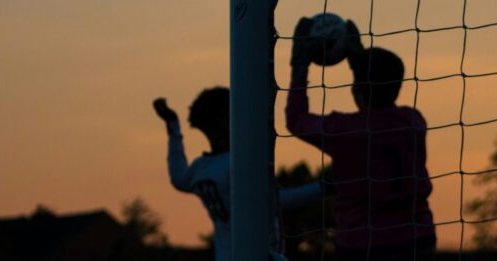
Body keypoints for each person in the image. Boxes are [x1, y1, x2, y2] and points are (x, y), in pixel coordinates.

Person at [286, 18, 436, 260]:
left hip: (362, 244)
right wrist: (360, 59)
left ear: (355, 88)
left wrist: (300, 65)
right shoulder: (414, 123)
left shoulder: (343, 131)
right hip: (418, 240)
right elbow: (372, 94)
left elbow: (296, 120)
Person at [152, 87, 319, 261]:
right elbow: (273, 202)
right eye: (234, 114)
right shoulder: (236, 166)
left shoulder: (201, 169)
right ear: (220, 122)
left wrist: (173, 126)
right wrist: (323, 187)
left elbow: (178, 177)